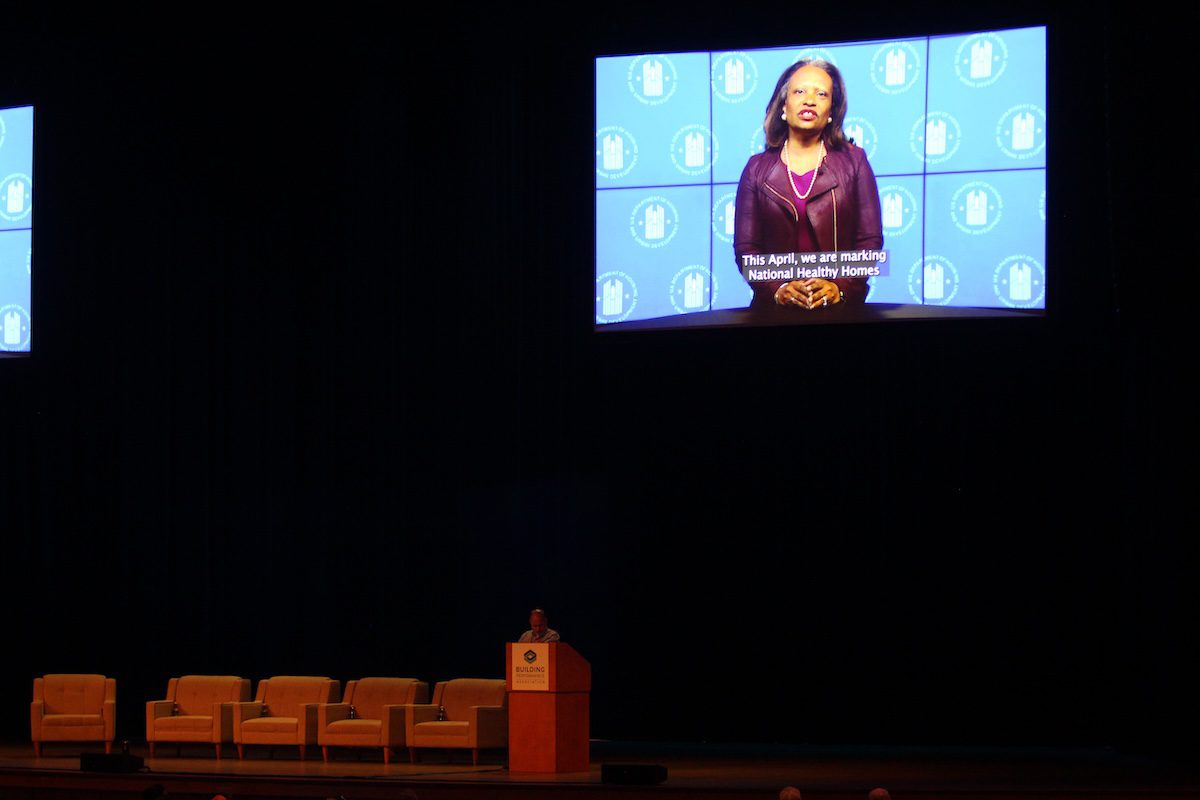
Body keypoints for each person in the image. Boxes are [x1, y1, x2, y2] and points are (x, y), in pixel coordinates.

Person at [734, 59, 883, 310]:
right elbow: (746, 249)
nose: (809, 99)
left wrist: (840, 287)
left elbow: (870, 240)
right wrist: (778, 289)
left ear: (831, 112)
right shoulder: (755, 169)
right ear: (784, 105)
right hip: (773, 314)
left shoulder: (855, 161)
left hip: (842, 312)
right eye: (799, 91)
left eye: (821, 93)